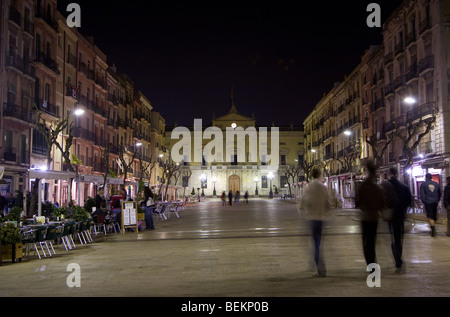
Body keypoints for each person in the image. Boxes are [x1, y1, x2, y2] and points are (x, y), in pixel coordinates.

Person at [298, 167, 331, 277]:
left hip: (312, 219)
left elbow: (302, 204)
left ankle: (319, 268)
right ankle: (320, 267)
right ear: (319, 175)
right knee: (319, 243)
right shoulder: (323, 187)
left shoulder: (308, 188)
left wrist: (304, 214)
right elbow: (328, 203)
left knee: (316, 244)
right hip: (322, 219)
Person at [355, 159, 386, 267]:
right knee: (372, 242)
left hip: (365, 218)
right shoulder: (378, 187)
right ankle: (373, 263)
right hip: (374, 219)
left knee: (366, 243)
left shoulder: (363, 187)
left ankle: (371, 264)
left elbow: (357, 203)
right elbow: (382, 204)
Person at [382, 167, 412, 273]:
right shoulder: (404, 187)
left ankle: (396, 257)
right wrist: (403, 208)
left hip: (390, 215)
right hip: (400, 215)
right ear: (397, 174)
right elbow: (409, 200)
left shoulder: (385, 185)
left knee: (393, 236)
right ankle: (398, 257)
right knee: (399, 237)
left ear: (389, 174)